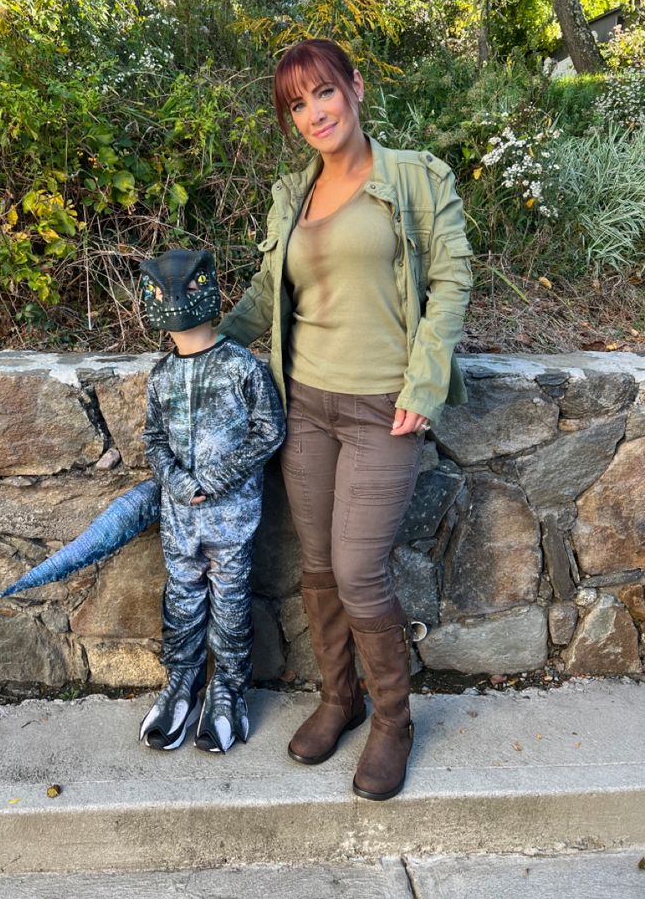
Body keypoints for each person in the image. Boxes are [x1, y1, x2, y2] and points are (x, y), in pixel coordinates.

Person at [218, 39, 472, 799]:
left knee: (360, 572)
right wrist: (205, 345)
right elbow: (268, 296)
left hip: (381, 409)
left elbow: (454, 278)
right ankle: (340, 697)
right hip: (305, 404)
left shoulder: (417, 178)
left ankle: (393, 720)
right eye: (296, 104)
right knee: (319, 569)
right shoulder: (292, 194)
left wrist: (423, 385)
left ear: (356, 90)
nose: (312, 113)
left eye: (322, 93)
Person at [139, 248, 285, 753]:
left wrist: (218, 478)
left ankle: (228, 689)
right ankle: (180, 682)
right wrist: (179, 484)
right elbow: (153, 439)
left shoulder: (241, 366)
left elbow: (269, 430)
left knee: (230, 604)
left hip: (232, 519)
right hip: (180, 520)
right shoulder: (161, 376)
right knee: (181, 602)